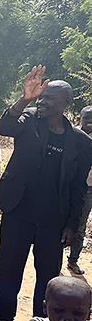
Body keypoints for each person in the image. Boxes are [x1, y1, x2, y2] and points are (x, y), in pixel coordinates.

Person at [0, 67, 92, 321]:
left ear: (67, 103)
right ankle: (3, 318)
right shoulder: (30, 118)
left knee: (47, 278)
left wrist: (73, 226)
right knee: (9, 267)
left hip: (53, 222)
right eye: (41, 97)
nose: (42, 102)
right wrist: (25, 98)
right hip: (18, 211)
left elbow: (80, 188)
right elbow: (4, 127)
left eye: (50, 98)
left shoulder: (81, 143)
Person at [67, 105, 92, 275]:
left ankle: (73, 260)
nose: (90, 122)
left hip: (89, 188)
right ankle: (53, 258)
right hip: (69, 186)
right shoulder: (71, 136)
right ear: (79, 119)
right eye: (87, 118)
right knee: (61, 222)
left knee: (80, 226)